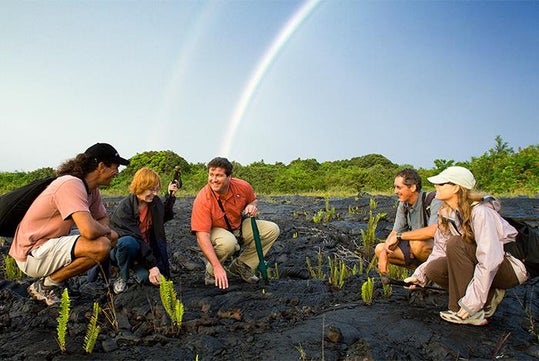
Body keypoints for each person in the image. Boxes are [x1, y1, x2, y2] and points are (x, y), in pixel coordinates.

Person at [404, 166, 529, 325]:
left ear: (456, 187)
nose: (436, 186)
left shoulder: (481, 212)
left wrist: (471, 304)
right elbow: (439, 251)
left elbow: (490, 260)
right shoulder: (446, 213)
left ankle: (467, 312)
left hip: (511, 268)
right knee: (433, 269)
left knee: (456, 243)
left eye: (442, 183)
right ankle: (487, 296)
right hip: (484, 264)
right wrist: (419, 276)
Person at [9, 143, 129, 306]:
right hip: (31, 253)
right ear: (101, 166)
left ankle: (55, 281)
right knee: (100, 246)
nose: (117, 172)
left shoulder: (92, 189)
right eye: (116, 167)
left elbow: (102, 219)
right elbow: (89, 231)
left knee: (112, 237)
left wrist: (102, 229)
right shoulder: (70, 184)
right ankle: (46, 285)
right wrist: (100, 230)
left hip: (49, 245)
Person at [191, 157, 280, 289]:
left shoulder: (242, 186)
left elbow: (253, 200)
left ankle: (242, 265)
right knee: (228, 243)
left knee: (272, 229)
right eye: (211, 175)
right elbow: (201, 236)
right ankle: (211, 273)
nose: (213, 179)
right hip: (216, 230)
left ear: (229, 177)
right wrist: (217, 267)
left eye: (219, 175)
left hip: (237, 226)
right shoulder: (203, 199)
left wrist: (251, 206)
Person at [109, 167, 178, 294]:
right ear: (140, 187)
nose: (155, 193)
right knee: (127, 243)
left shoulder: (154, 202)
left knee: (152, 280)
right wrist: (152, 266)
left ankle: (135, 267)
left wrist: (170, 196)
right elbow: (137, 237)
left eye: (157, 189)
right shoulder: (125, 208)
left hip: (144, 251)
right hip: (123, 250)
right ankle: (122, 275)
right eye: (152, 189)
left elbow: (164, 216)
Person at [375, 168, 441, 274]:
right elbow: (394, 232)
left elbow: (433, 230)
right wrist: (383, 254)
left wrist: (400, 237)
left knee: (417, 245)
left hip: (440, 250)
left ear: (413, 187)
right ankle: (421, 272)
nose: (395, 191)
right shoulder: (403, 204)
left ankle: (434, 274)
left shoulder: (433, 200)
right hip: (415, 248)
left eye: (399, 187)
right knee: (379, 248)